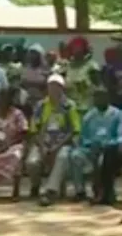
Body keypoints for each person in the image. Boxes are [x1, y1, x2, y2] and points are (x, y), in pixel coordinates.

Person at [28, 74, 84, 206]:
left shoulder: (69, 106)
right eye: (51, 86)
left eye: (56, 86)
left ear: (62, 88)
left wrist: (56, 147)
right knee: (32, 162)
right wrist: (42, 146)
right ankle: (35, 186)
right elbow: (34, 129)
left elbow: (74, 130)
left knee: (62, 157)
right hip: (43, 141)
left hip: (63, 142)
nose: (53, 89)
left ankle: (50, 191)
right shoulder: (41, 105)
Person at [83, 89, 121, 205]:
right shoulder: (88, 116)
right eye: (96, 97)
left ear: (108, 98)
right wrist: (91, 144)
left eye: (102, 97)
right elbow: (84, 137)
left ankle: (105, 193)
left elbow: (121, 135)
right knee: (79, 156)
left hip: (111, 148)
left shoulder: (117, 114)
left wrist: (109, 143)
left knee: (103, 159)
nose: (99, 100)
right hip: (92, 147)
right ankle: (84, 192)